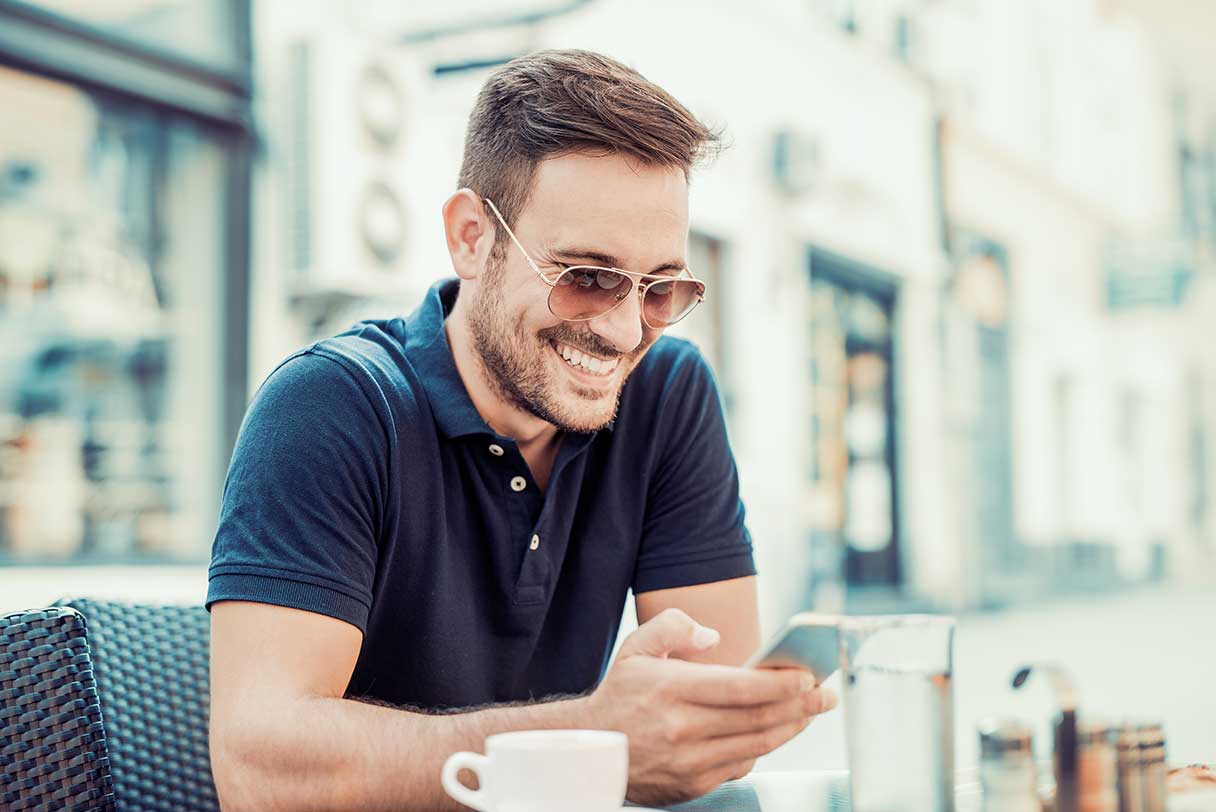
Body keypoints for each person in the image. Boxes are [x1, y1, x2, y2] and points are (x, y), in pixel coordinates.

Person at [207, 49, 837, 812]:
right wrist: (590, 740)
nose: (624, 329)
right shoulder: (330, 406)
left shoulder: (668, 393)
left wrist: (714, 724)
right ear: (472, 236)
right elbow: (258, 771)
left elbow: (711, 721)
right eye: (586, 276)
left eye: (661, 287)